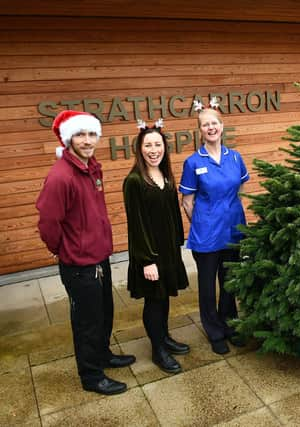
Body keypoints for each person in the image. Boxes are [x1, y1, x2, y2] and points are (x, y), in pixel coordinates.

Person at [36, 110, 135, 395]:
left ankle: (102, 355)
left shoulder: (92, 167)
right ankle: (92, 377)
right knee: (87, 322)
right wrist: (62, 249)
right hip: (79, 264)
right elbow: (48, 223)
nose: (87, 140)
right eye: (80, 134)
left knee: (104, 313)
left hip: (98, 256)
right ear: (69, 139)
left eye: (92, 134)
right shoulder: (60, 176)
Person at [180, 99, 249, 355]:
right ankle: (215, 331)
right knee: (208, 287)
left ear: (222, 126)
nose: (211, 128)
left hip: (233, 230)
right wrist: (202, 222)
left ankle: (230, 325)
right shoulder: (192, 162)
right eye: (205, 125)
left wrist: (231, 209)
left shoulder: (235, 157)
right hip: (206, 236)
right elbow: (187, 201)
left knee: (230, 282)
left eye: (214, 123)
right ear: (200, 131)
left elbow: (241, 187)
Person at [123, 120, 190, 374]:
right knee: (154, 301)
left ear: (164, 148)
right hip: (149, 254)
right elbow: (136, 225)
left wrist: (177, 246)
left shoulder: (166, 176)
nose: (153, 150)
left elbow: (173, 213)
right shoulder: (134, 181)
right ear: (140, 149)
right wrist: (147, 260)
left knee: (164, 299)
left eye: (158, 144)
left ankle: (164, 337)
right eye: (148, 145)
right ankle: (158, 350)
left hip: (168, 251)